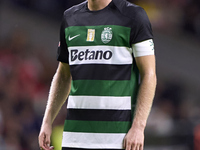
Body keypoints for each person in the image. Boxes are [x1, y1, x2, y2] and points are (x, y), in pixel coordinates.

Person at [38, 0, 157, 150]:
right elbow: (63, 75)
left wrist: (138, 127)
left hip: (118, 139)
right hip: (74, 138)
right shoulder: (70, 18)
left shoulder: (134, 16)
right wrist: (47, 121)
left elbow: (149, 74)